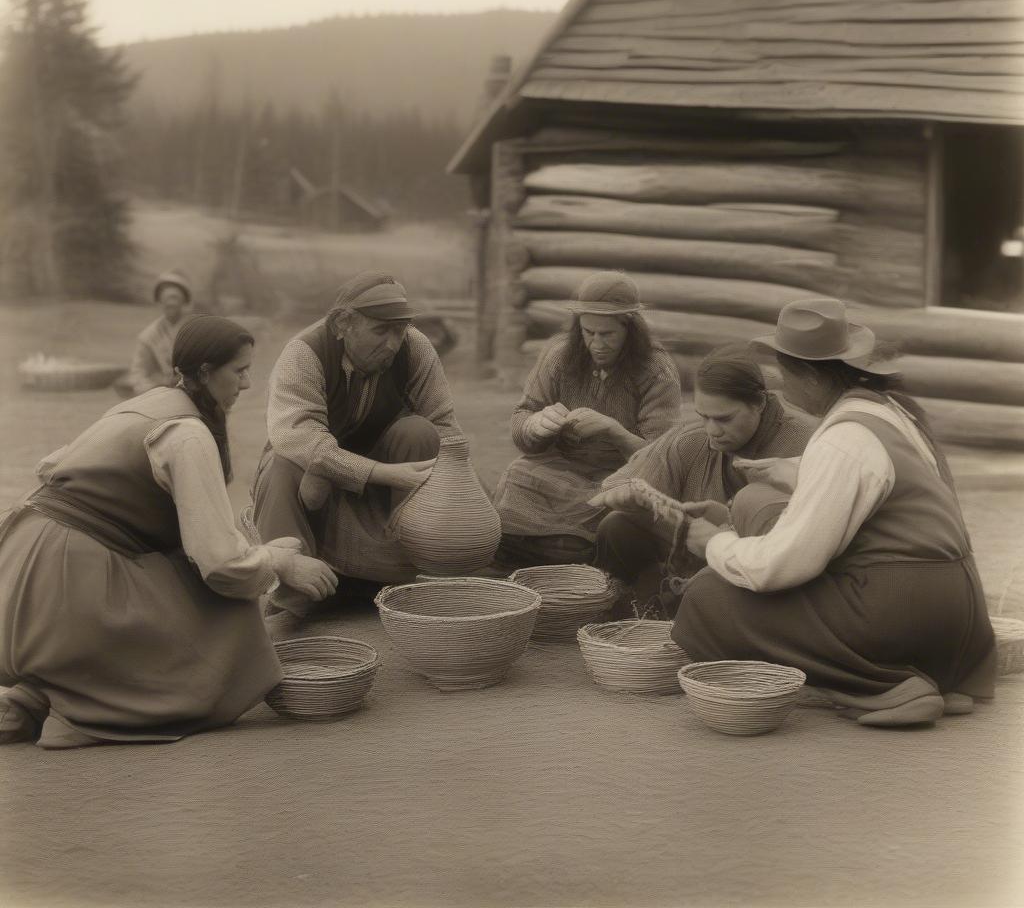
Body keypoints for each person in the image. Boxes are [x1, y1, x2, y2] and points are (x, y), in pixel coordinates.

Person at [0, 315, 338, 749]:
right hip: (61, 586)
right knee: (221, 607)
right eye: (239, 371)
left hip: (18, 567)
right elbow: (222, 565)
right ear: (204, 372)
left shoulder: (146, 404)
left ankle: (35, 695)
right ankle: (89, 713)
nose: (248, 383)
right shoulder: (186, 433)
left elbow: (50, 466)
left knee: (171, 566)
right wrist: (280, 561)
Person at [672, 298, 996, 727]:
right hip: (959, 616)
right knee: (755, 508)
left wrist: (715, 542)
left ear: (808, 376)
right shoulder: (888, 412)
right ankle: (932, 676)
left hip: (902, 608)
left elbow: (781, 567)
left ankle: (881, 687)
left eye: (785, 374)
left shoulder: (843, 439)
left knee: (708, 598)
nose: (783, 389)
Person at [251, 271, 459, 606]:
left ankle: (407, 569)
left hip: (382, 459)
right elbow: (299, 438)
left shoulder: (415, 347)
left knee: (420, 432)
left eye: (399, 329)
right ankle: (294, 592)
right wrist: (380, 473)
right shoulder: (304, 354)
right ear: (342, 325)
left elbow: (444, 425)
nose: (393, 343)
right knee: (283, 463)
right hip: (314, 469)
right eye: (381, 330)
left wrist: (458, 486)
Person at [591, 348, 816, 616]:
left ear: (760, 404)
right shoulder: (693, 440)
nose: (712, 431)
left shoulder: (810, 443)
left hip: (768, 568)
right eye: (704, 417)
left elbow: (812, 539)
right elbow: (619, 486)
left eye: (724, 419)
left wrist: (726, 529)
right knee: (617, 526)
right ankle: (630, 622)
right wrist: (624, 496)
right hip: (696, 557)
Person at [493, 271, 683, 568]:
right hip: (558, 469)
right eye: (588, 332)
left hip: (618, 475)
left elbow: (664, 460)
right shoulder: (558, 355)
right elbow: (522, 420)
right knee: (518, 475)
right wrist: (536, 425)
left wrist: (614, 431)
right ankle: (548, 552)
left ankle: (565, 554)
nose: (597, 343)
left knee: (616, 515)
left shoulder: (656, 369)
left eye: (608, 334)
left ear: (630, 327)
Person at [123, 269, 194, 395]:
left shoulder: (198, 329)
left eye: (175, 298)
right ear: (159, 301)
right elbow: (138, 372)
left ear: (184, 301)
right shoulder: (149, 336)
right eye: (165, 299)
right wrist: (153, 388)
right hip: (160, 395)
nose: (170, 303)